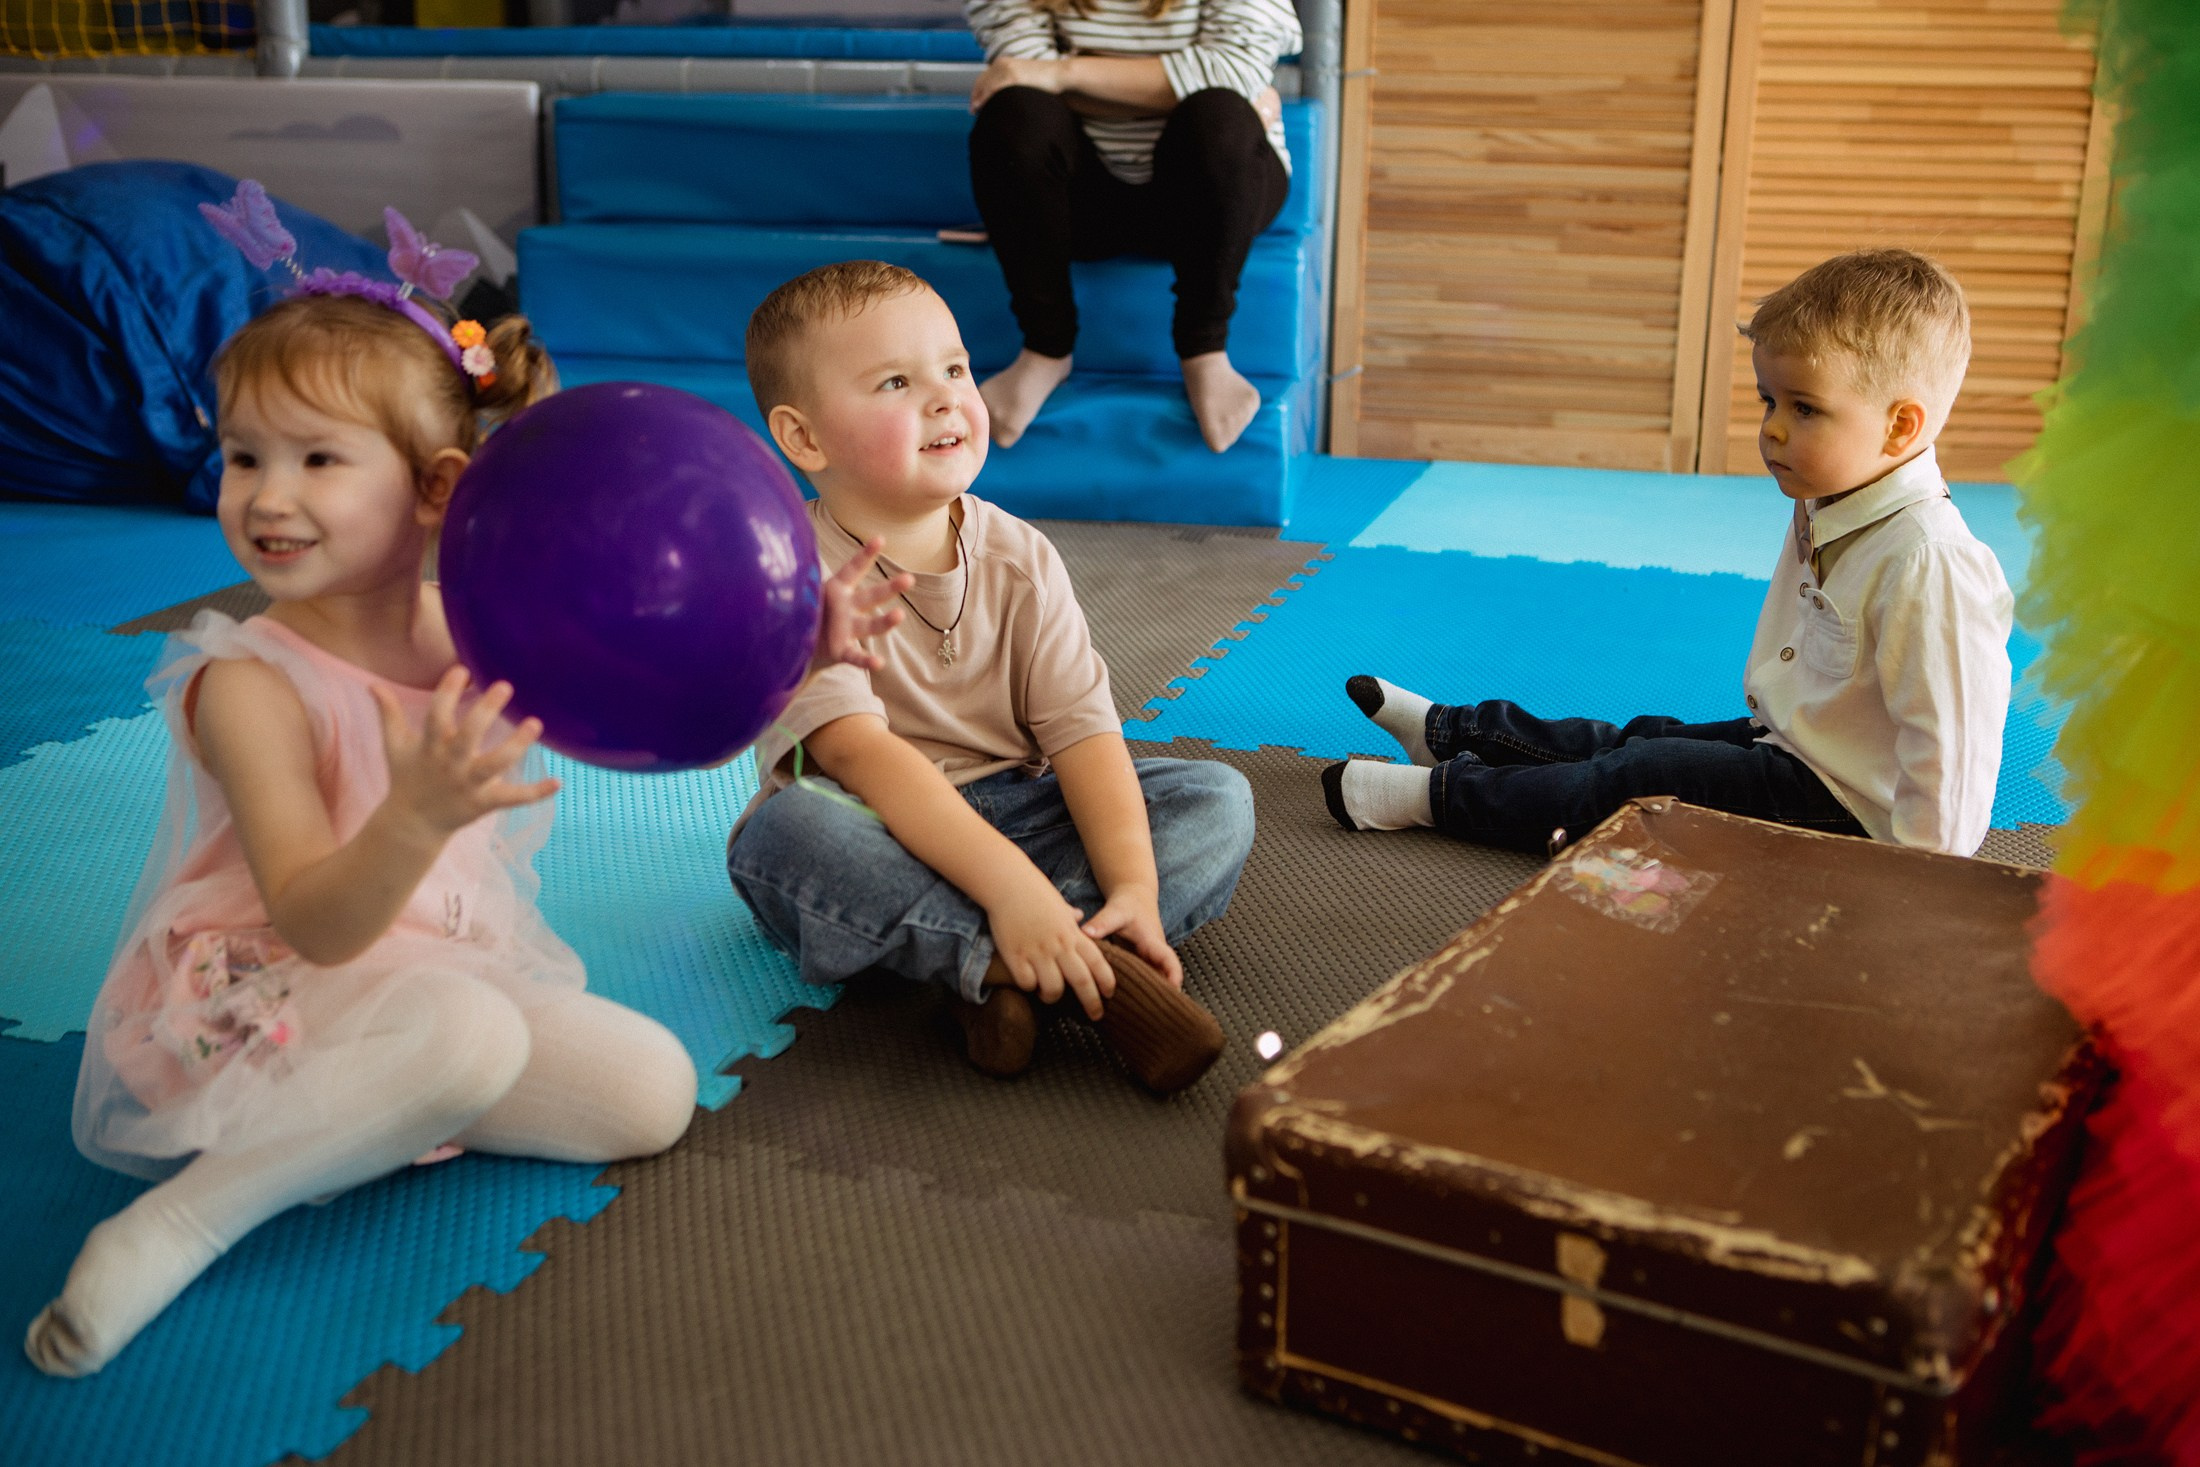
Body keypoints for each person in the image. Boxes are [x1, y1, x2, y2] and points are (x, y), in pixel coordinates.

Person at [23, 204, 907, 1377]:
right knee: (465, 1030)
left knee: (651, 1094)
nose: (266, 497)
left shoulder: (473, 627)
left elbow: (633, 701)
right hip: (269, 983)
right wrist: (414, 816)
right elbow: (315, 920)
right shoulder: (249, 684)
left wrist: (794, 642)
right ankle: (184, 1222)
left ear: (437, 487)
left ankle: (375, 1108)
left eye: (317, 459)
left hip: (433, 971)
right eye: (245, 456)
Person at [726, 260, 1256, 1090]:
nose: (944, 398)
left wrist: (1135, 887)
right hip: (871, 826)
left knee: (1214, 797)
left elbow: (1084, 737)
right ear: (804, 439)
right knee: (784, 836)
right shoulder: (793, 575)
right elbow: (863, 757)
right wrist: (1011, 891)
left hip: (1018, 808)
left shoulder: (1019, 554)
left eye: (956, 368)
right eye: (897, 381)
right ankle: (1036, 960)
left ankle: (1012, 963)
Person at [1322, 248, 2015, 858]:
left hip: (1850, 813)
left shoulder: (1931, 563)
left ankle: (1441, 795)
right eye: (1768, 401)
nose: (1772, 430)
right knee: (1644, 740)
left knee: (1637, 781)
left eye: (1804, 409)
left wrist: (1913, 884)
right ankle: (1451, 733)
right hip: (1800, 750)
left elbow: (1951, 769)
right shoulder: (1833, 491)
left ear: (1900, 426)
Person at [964, 0, 1301, 455]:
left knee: (1220, 115)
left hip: (1211, 188)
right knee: (1014, 113)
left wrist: (1065, 76)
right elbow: (1020, 77)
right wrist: (1195, 83)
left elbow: (1230, 71)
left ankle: (1205, 349)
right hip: (1082, 197)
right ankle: (1045, 347)